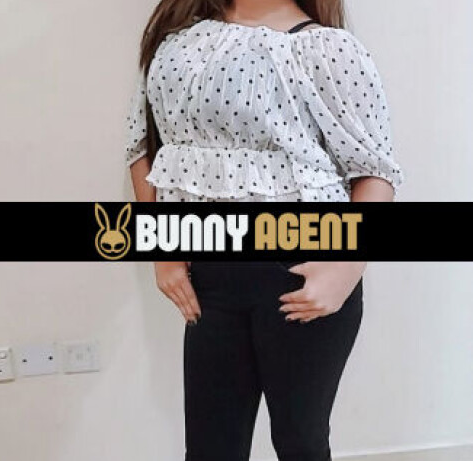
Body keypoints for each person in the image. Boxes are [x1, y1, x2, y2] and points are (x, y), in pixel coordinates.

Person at [125, 1, 404, 459]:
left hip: (302, 265)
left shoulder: (328, 49)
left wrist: (346, 264)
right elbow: (143, 146)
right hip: (210, 271)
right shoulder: (177, 40)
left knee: (300, 442)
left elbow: (375, 170)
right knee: (210, 447)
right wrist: (164, 251)